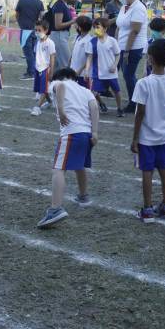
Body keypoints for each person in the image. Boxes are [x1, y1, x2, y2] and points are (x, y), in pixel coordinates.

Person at [36, 68, 99, 228]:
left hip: (71, 132)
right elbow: (94, 108)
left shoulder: (59, 83)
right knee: (79, 166)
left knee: (58, 169)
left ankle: (55, 209)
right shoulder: (85, 90)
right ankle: (83, 196)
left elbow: (61, 87)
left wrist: (62, 109)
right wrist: (95, 132)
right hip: (86, 133)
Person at [131, 39, 165, 222]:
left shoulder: (143, 83)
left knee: (147, 170)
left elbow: (140, 113)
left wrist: (135, 138)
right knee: (164, 168)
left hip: (146, 137)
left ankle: (147, 209)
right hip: (163, 135)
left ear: (150, 59)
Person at [115, 0, 148, 113]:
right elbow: (119, 24)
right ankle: (134, 100)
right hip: (122, 46)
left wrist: (127, 51)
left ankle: (134, 103)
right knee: (128, 75)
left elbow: (135, 31)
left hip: (134, 47)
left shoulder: (139, 8)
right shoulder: (124, 7)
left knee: (129, 75)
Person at [84, 18, 123, 117]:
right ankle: (92, 110)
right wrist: (87, 70)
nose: (95, 29)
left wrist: (114, 65)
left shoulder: (112, 41)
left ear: (105, 29)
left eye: (98, 27)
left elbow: (118, 54)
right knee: (93, 93)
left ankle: (119, 108)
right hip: (97, 74)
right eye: (94, 27)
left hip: (111, 74)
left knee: (117, 91)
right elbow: (89, 57)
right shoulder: (92, 42)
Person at [15, 0, 44, 79]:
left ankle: (31, 72)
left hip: (25, 30)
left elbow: (17, 15)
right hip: (36, 30)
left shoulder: (21, 1)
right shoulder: (39, 2)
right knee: (35, 52)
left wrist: (20, 23)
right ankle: (34, 70)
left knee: (28, 52)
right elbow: (41, 17)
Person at [30, 20, 56, 116]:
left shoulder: (50, 43)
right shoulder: (37, 42)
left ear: (46, 30)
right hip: (38, 68)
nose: (37, 32)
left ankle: (37, 107)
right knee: (42, 88)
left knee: (44, 89)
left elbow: (53, 57)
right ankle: (50, 102)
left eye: (39, 30)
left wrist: (51, 71)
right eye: (36, 30)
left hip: (45, 69)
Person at [49, 0, 77, 70]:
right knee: (66, 65)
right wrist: (73, 21)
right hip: (59, 36)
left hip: (61, 36)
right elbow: (58, 25)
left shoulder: (63, 4)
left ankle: (55, 83)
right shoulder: (59, 5)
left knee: (57, 66)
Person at [70, 15, 93, 89]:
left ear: (80, 27)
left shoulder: (88, 40)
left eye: (76, 24)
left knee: (84, 92)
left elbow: (89, 58)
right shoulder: (78, 37)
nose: (74, 26)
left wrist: (80, 70)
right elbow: (74, 54)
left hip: (83, 74)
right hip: (74, 71)